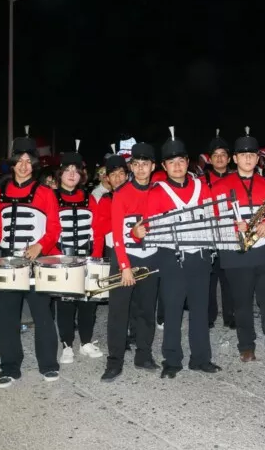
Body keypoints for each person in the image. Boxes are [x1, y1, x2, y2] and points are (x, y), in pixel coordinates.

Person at [137, 128, 221, 378]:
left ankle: (201, 358)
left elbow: (212, 217)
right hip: (172, 259)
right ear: (164, 165)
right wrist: (137, 233)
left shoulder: (200, 187)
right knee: (172, 311)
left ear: (188, 162)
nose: (177, 166)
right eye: (171, 162)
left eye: (181, 160)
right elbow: (144, 227)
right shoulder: (156, 191)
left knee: (200, 310)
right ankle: (172, 361)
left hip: (200, 257)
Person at [0, 132, 61, 388]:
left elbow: (54, 229)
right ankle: (9, 367)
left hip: (36, 262)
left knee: (43, 315)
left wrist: (40, 246)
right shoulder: (0, 191)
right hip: (7, 262)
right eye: (20, 159)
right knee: (6, 316)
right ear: (13, 162)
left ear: (34, 165)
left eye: (29, 161)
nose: (24, 165)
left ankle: (48, 364)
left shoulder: (45, 193)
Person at [212, 127, 265, 363]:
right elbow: (214, 218)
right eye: (242, 155)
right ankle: (246, 345)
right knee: (241, 304)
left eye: (252, 155)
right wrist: (234, 227)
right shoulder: (220, 187)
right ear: (235, 159)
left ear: (257, 159)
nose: (247, 158)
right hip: (236, 253)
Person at [101, 142, 160, 381]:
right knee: (118, 312)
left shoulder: (160, 191)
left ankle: (143, 354)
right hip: (125, 257)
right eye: (136, 164)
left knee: (147, 310)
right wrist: (125, 267)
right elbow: (117, 234)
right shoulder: (122, 193)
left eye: (145, 164)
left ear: (153, 166)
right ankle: (114, 361)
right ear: (131, 167)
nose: (141, 168)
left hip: (151, 257)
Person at [54, 144, 104, 364]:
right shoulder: (51, 197)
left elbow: (98, 229)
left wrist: (96, 259)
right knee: (65, 304)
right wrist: (56, 259)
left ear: (82, 175)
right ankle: (66, 345)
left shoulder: (89, 197)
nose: (72, 174)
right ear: (60, 174)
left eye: (76, 170)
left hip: (87, 257)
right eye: (67, 170)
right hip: (62, 258)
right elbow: (48, 229)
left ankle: (85, 342)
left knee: (87, 303)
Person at [204, 129, 235, 329]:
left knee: (229, 278)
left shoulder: (236, 178)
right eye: (215, 155)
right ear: (209, 159)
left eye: (223, 155)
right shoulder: (202, 181)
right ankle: (209, 315)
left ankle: (230, 316)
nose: (219, 158)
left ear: (229, 157)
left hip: (230, 233)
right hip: (209, 234)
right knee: (209, 277)